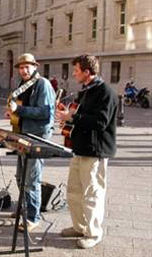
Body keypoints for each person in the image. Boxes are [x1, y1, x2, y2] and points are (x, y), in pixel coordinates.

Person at [55, 54, 118, 249]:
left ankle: (93, 232)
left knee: (92, 193)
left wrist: (73, 117)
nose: (74, 74)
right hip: (80, 148)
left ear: (87, 72)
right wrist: (68, 117)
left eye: (76, 71)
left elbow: (100, 122)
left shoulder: (105, 92)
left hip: (95, 150)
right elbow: (79, 115)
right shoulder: (85, 91)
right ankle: (79, 226)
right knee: (74, 191)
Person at [4, 53, 56, 232]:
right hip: (22, 135)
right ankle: (24, 209)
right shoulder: (23, 85)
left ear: (35, 67)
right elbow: (21, 109)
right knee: (20, 176)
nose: (24, 70)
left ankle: (33, 217)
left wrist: (18, 109)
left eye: (27, 67)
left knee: (31, 179)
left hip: (37, 137)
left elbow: (45, 113)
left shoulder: (42, 84)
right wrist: (13, 114)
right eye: (21, 67)